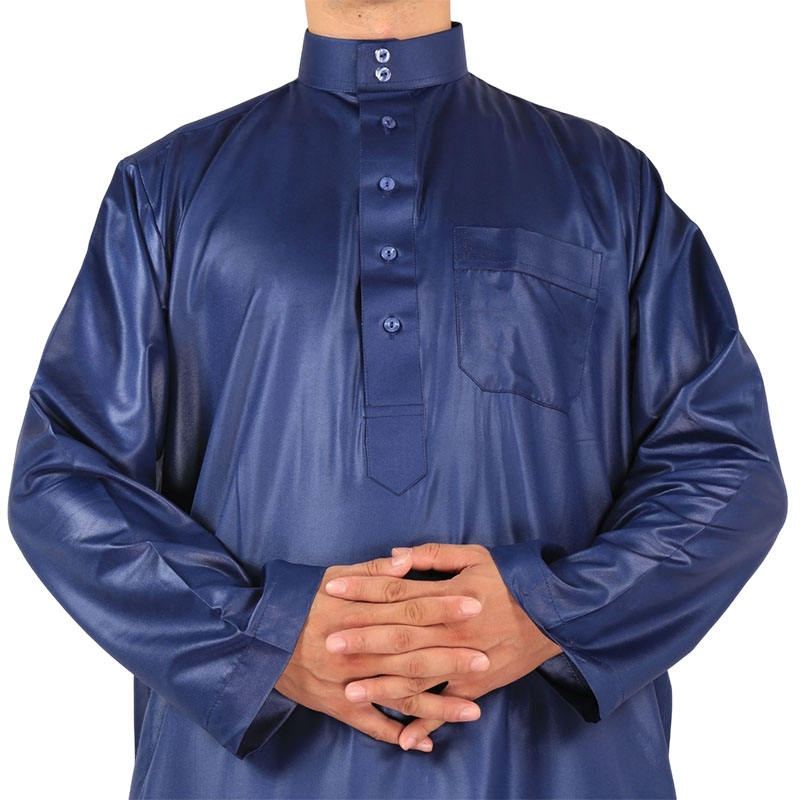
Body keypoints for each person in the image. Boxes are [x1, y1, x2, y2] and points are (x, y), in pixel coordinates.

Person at [7, 1, 788, 798]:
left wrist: (551, 612)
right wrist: (260, 641)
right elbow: (63, 475)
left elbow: (727, 467)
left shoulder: (608, 185)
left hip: (554, 770)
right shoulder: (166, 190)